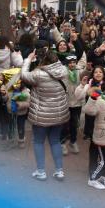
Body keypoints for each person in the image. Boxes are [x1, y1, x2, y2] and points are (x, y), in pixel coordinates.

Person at [20, 48, 70, 181]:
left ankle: (41, 171)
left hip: (41, 115)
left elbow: (23, 75)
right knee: (55, 141)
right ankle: (59, 171)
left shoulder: (38, 74)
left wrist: (28, 60)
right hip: (59, 115)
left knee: (38, 141)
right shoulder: (64, 71)